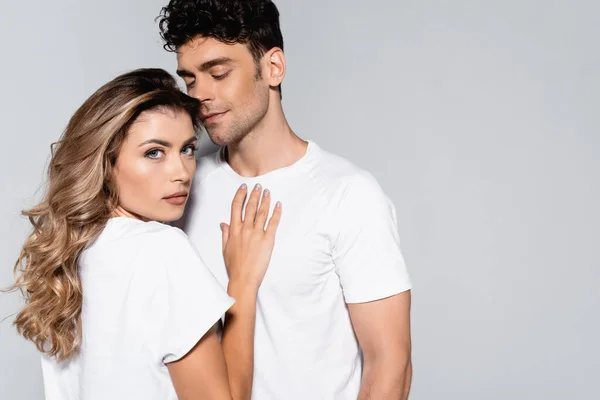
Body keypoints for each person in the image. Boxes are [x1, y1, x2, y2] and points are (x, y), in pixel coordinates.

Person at [158, 1, 413, 399]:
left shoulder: (348, 194)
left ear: (273, 68)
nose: (201, 95)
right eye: (190, 80)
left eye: (219, 73)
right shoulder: (177, 190)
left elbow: (390, 363)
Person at [7, 68, 281, 399]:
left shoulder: (71, 256)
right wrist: (243, 284)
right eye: (154, 152)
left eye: (188, 149)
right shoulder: (160, 250)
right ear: (106, 162)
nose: (181, 172)